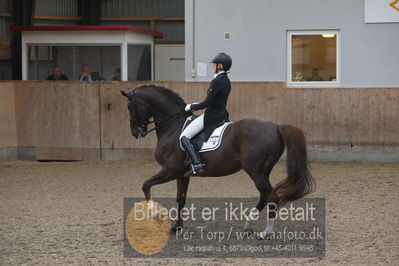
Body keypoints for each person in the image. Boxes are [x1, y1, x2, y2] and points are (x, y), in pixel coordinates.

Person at [180, 52, 232, 177]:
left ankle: (197, 164)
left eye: (214, 64)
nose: (212, 66)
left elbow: (207, 103)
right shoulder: (226, 80)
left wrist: (191, 106)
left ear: (219, 66)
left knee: (184, 137)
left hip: (211, 116)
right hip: (221, 114)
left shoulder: (217, 81)